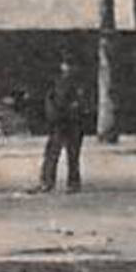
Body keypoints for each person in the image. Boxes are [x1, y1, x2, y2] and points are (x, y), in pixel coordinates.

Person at [37, 53, 88, 194]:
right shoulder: (57, 83)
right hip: (60, 123)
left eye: (70, 65)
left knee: (70, 155)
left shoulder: (77, 84)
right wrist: (54, 116)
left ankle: (70, 183)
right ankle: (49, 182)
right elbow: (50, 101)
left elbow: (80, 104)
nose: (67, 68)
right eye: (66, 65)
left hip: (72, 123)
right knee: (53, 154)